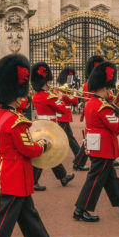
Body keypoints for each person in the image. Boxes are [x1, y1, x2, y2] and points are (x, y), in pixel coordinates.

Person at [0, 54, 64, 237]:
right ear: (16, 96)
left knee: (27, 213)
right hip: (16, 173)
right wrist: (44, 144)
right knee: (4, 218)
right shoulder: (16, 121)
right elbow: (29, 149)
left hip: (7, 169)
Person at [73, 61, 119, 222]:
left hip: (97, 145)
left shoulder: (92, 103)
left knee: (111, 177)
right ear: (104, 88)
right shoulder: (103, 106)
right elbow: (115, 127)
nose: (112, 92)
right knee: (95, 179)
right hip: (103, 147)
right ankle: (81, 210)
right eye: (110, 89)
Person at [30, 62, 74, 191]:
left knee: (51, 151)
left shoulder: (36, 96)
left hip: (41, 125)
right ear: (46, 82)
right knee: (42, 153)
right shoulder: (49, 96)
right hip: (49, 127)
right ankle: (33, 181)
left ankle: (63, 177)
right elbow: (62, 110)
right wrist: (60, 97)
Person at [55, 67, 82, 167]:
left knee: (66, 136)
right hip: (63, 116)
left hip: (62, 115)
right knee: (69, 137)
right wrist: (75, 92)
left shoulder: (63, 90)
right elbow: (74, 101)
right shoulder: (63, 91)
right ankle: (79, 154)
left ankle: (79, 154)